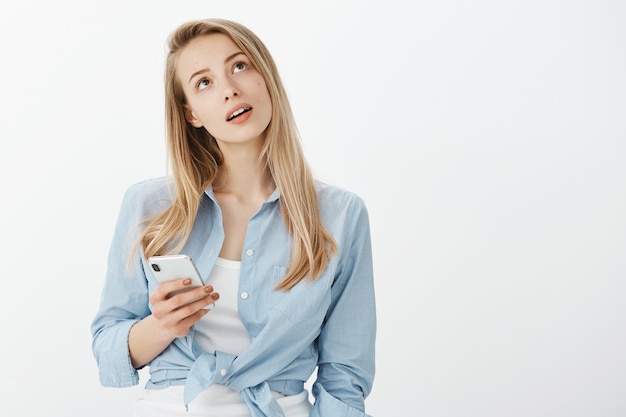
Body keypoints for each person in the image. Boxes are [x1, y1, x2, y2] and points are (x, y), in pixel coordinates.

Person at [90, 18, 376, 417]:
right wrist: (163, 325)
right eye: (204, 82)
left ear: (265, 76)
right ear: (191, 114)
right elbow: (107, 348)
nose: (230, 90)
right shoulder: (149, 206)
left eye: (239, 66)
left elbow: (345, 376)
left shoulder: (341, 215)